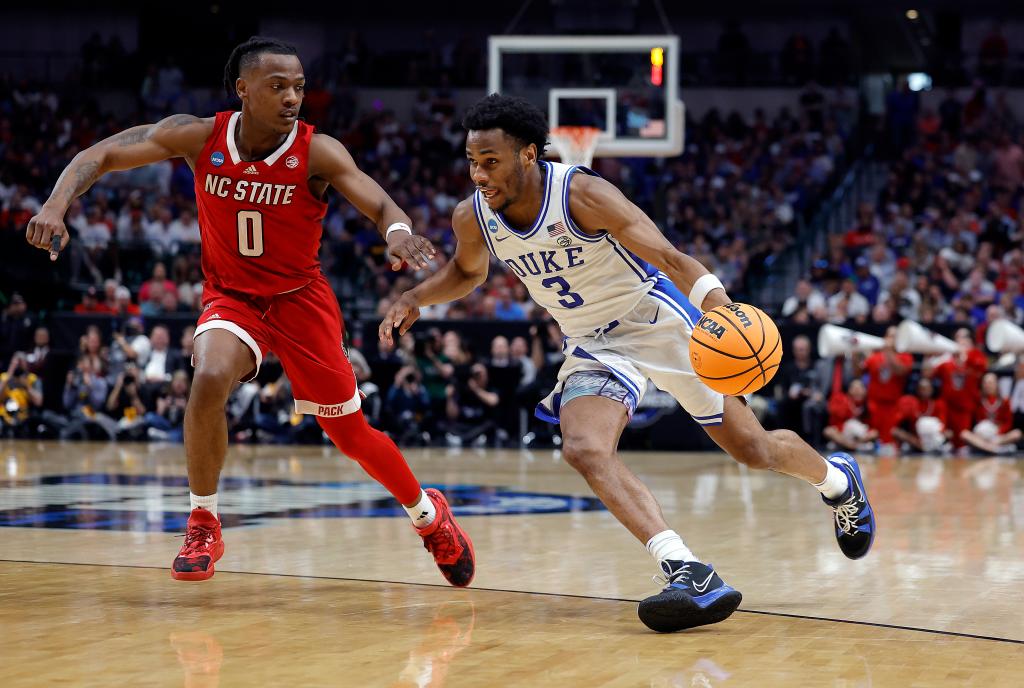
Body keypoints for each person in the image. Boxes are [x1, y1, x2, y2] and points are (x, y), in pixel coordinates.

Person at [380, 94, 876, 633]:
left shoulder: (583, 193)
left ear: (527, 154)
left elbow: (666, 255)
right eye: (472, 161)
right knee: (584, 448)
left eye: (491, 161)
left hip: (656, 320)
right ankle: (686, 568)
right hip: (592, 341)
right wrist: (415, 298)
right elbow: (466, 273)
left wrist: (717, 304)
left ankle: (837, 481)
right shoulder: (472, 214)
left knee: (752, 448)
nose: (479, 174)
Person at [26, 36, 474, 587]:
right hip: (232, 295)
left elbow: (380, 203)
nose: (293, 97)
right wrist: (53, 205)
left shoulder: (317, 151)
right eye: (278, 86)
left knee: (350, 433)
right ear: (243, 90)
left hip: (300, 301)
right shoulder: (197, 135)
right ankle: (203, 521)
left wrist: (399, 233)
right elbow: (99, 155)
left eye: (300, 87)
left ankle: (429, 517)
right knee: (209, 375)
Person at [863, 327, 913, 446]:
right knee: (873, 437)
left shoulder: (905, 356)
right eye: (890, 336)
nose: (892, 339)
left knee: (889, 441)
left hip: (892, 405)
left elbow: (900, 371)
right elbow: (858, 372)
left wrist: (888, 352)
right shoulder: (874, 356)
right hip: (874, 404)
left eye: (895, 336)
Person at [960, 373, 1021, 454]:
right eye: (985, 383)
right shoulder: (978, 401)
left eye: (990, 383)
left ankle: (985, 448)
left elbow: (1008, 422)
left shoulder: (1005, 401)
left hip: (998, 436)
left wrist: (997, 432)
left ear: (996, 384)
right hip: (981, 436)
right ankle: (994, 449)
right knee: (964, 434)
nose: (987, 385)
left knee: (1017, 433)